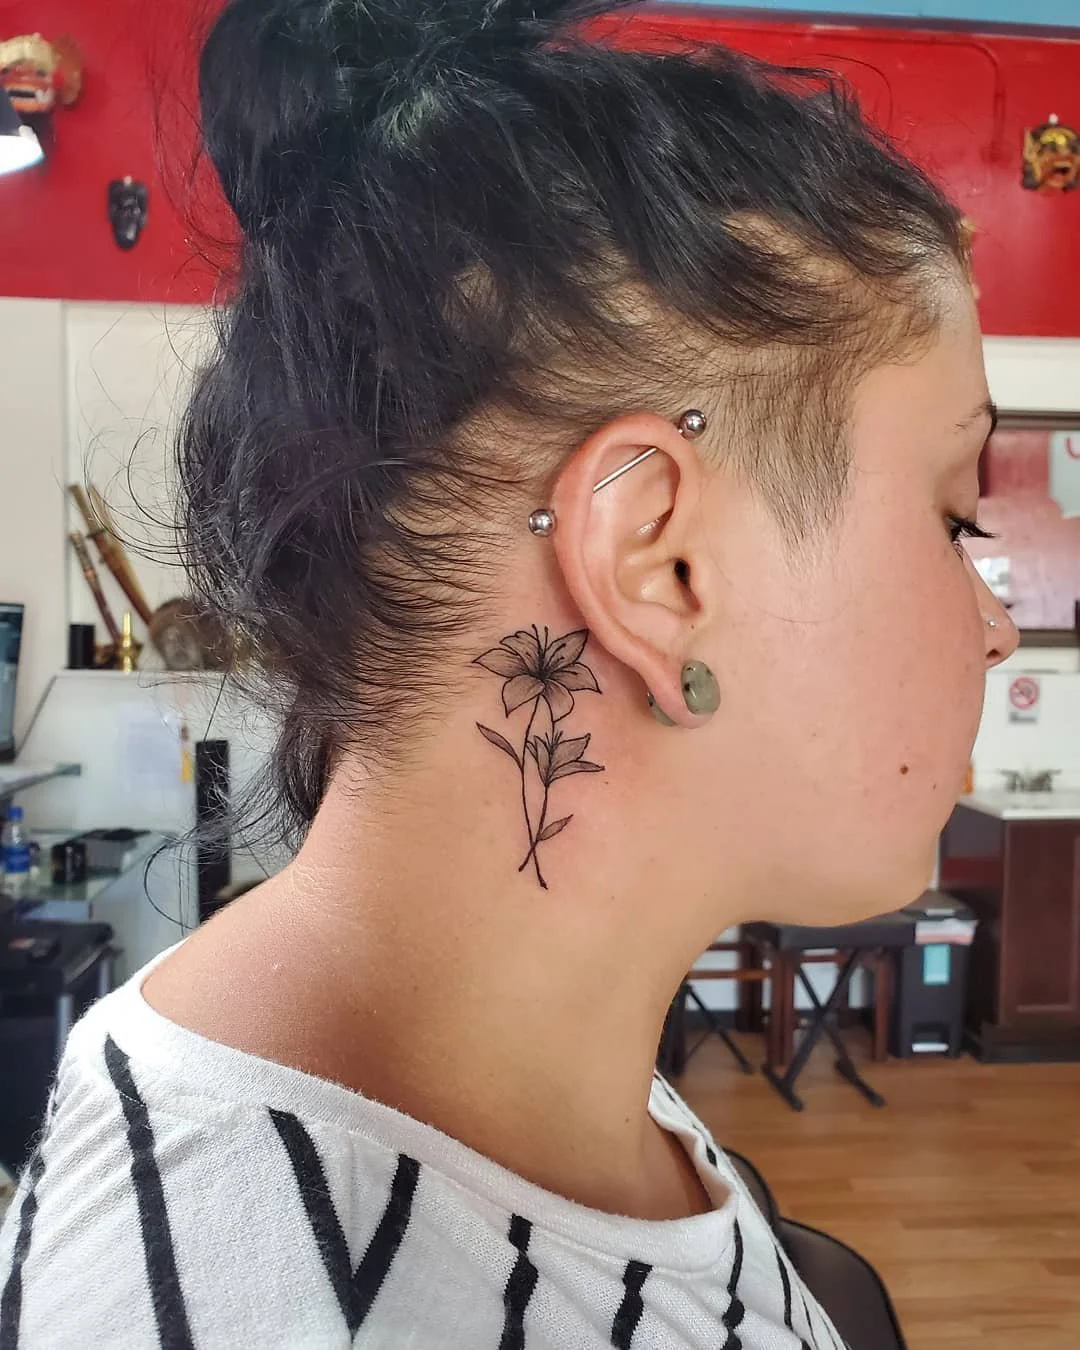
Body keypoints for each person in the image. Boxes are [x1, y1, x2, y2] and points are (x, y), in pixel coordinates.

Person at [0, 0, 1016, 1345]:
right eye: (954, 519)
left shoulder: (543, 1080)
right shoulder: (267, 1304)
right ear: (659, 566)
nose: (994, 628)